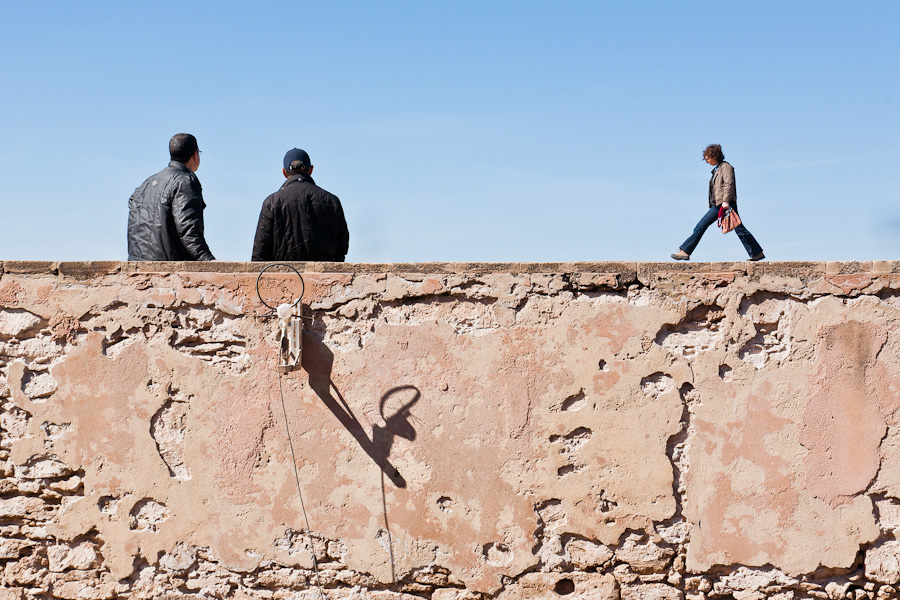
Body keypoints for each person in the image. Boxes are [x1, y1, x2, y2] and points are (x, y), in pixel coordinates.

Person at [127, 133, 215, 261]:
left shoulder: (146, 184)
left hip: (136, 268)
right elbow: (188, 228)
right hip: (169, 269)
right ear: (195, 154)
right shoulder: (185, 181)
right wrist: (207, 259)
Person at [252, 148, 349, 262]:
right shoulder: (331, 201)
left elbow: (260, 251)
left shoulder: (272, 202)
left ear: (284, 172)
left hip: (282, 277)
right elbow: (342, 246)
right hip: (323, 278)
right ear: (311, 170)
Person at [672, 144, 764, 261]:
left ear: (714, 156)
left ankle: (685, 251)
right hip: (718, 205)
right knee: (704, 226)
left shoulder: (726, 167)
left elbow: (728, 184)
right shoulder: (717, 169)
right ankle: (756, 253)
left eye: (708, 158)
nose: (707, 161)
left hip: (725, 204)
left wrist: (726, 201)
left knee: (735, 229)